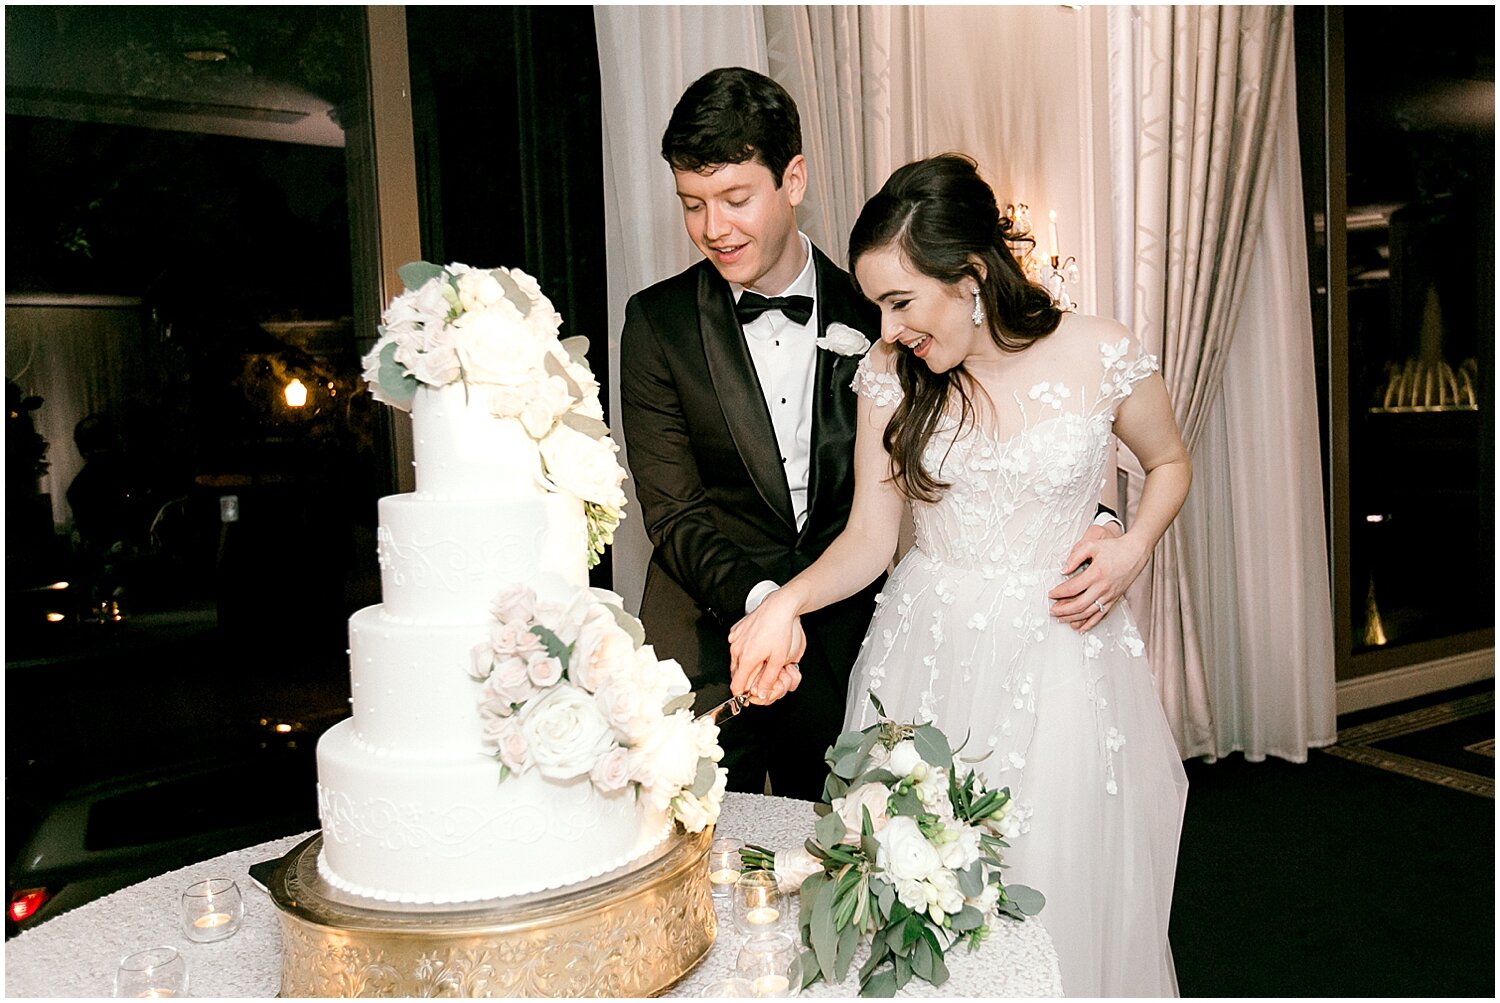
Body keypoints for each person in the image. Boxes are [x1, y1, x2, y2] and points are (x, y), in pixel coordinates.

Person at [728, 154, 1192, 997]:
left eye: (901, 301)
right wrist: (787, 602)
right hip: (926, 659)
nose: (889, 326)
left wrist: (1132, 547)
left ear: (971, 275)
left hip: (1061, 658)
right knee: (916, 901)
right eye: (877, 305)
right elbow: (871, 541)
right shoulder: (889, 377)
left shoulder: (1103, 350)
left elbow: (1167, 462)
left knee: (1056, 883)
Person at [618, 67, 884, 800]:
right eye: (692, 204)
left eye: (736, 199)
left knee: (844, 874)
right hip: (708, 638)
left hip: (847, 642)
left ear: (792, 179)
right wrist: (767, 601)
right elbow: (672, 513)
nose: (713, 228)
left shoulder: (877, 312)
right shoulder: (656, 324)